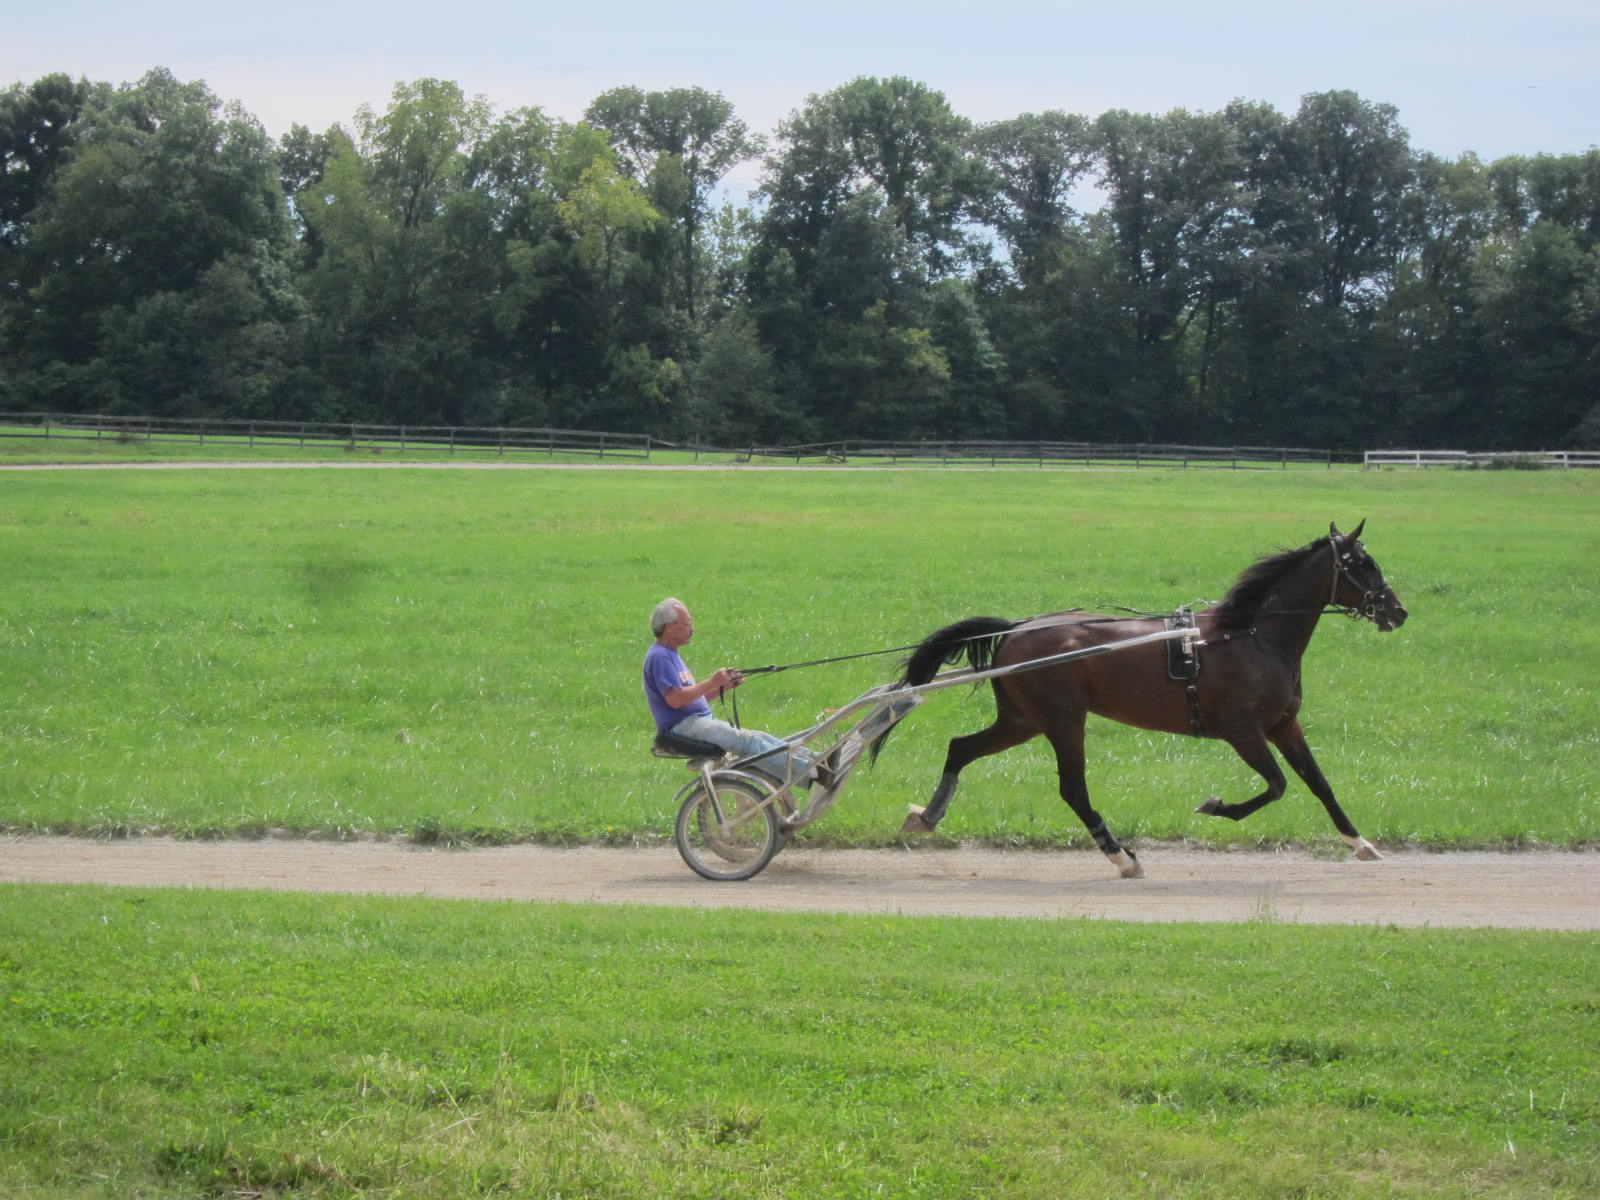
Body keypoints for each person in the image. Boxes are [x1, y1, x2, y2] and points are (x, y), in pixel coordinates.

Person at [644, 598, 819, 787]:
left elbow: (691, 701)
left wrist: (724, 687)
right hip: (683, 727)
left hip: (694, 722)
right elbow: (675, 700)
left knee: (760, 737)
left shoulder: (670, 654)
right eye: (687, 624)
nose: (692, 629)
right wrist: (713, 681)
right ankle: (808, 771)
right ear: (669, 627)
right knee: (748, 742)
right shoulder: (660, 657)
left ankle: (816, 760)